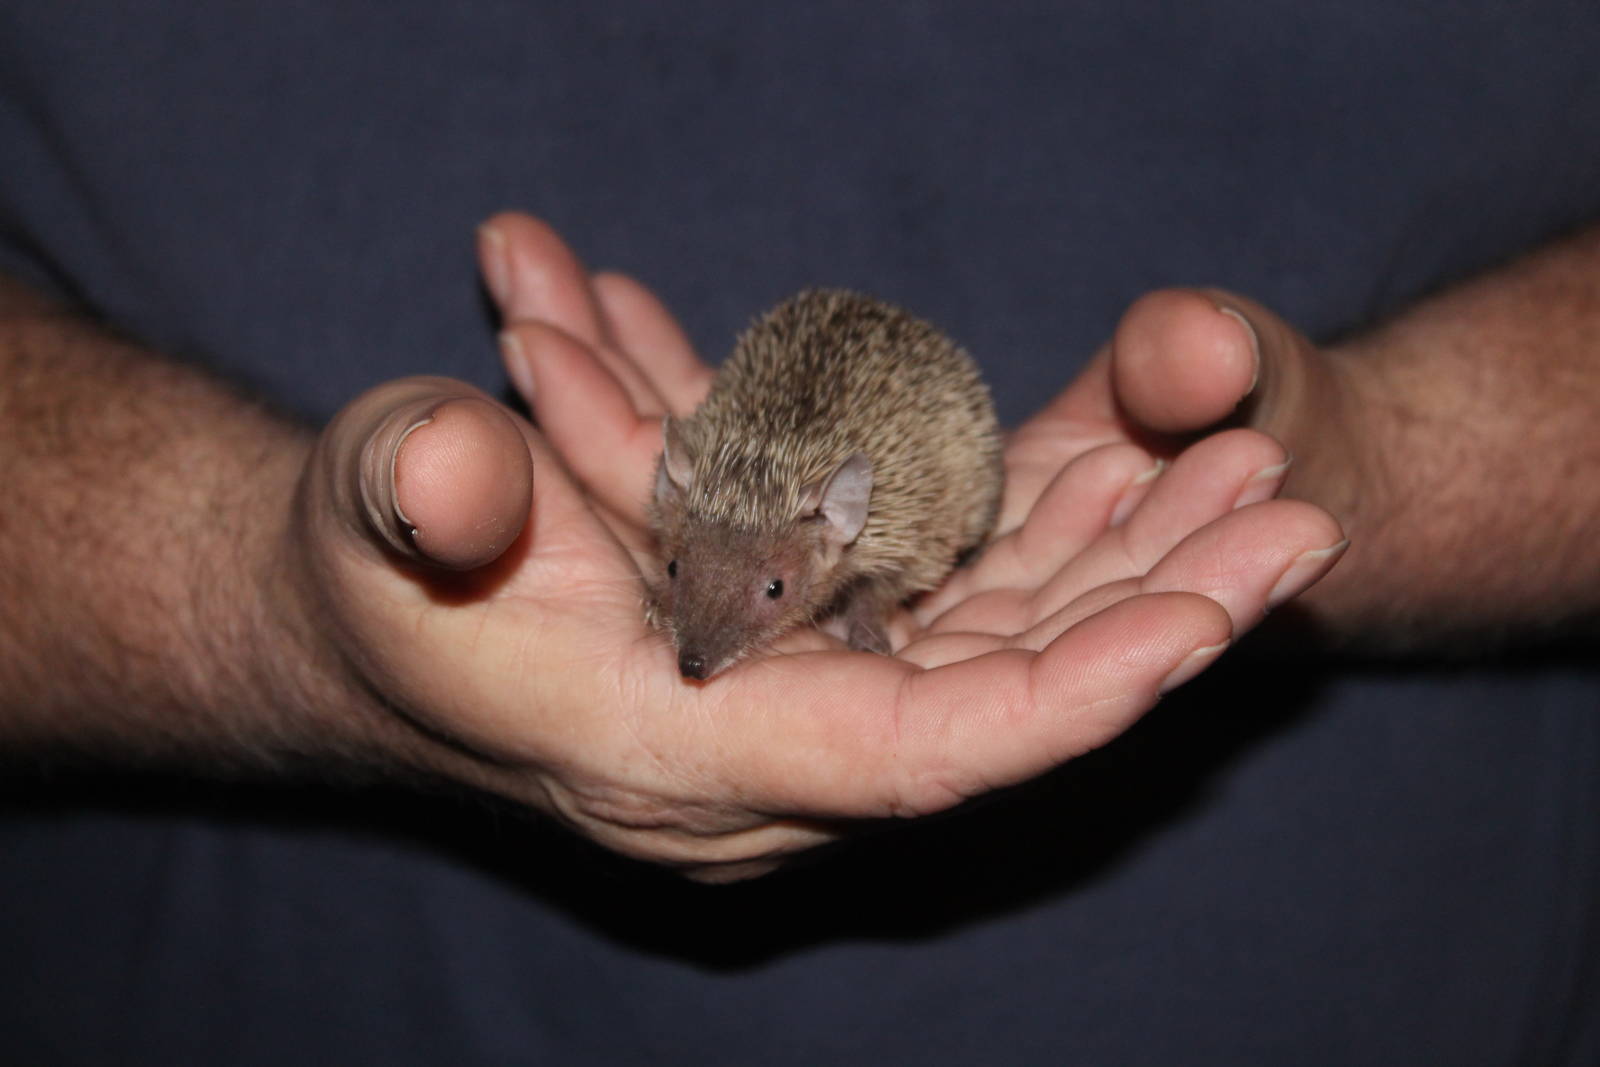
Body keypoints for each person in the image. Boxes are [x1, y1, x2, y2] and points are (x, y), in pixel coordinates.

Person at [2, 4, 1596, 1063]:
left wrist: (1384, 471)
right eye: (697, 595)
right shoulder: (716, 518)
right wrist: (265, 607)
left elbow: (909, 522)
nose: (706, 649)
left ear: (830, 546)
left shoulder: (865, 527)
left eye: (766, 598)